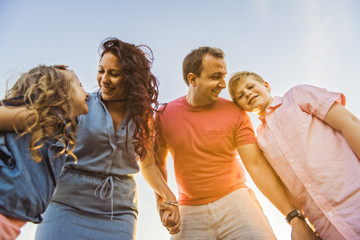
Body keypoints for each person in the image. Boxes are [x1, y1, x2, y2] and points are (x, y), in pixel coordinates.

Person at [154, 47, 319, 240]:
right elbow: (157, 165)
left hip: (236, 201)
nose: (223, 84)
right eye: (216, 77)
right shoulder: (163, 115)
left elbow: (256, 165)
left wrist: (294, 217)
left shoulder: (234, 112)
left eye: (223, 76)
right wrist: (163, 202)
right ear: (193, 79)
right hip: (188, 209)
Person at [30, 38, 179, 240]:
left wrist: (168, 198)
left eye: (114, 74)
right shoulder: (81, 104)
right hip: (66, 204)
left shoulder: (143, 118)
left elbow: (148, 164)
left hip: (118, 212)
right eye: (101, 71)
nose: (104, 79)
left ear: (131, 79)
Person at [228, 71, 360, 240]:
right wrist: (296, 220)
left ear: (266, 86)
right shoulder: (260, 140)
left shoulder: (297, 96)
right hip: (327, 226)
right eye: (240, 95)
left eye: (251, 86)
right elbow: (282, 185)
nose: (247, 93)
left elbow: (348, 122)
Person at [0, 64, 89, 239]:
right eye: (80, 85)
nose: (86, 92)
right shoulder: (33, 117)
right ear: (64, 93)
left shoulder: (59, 133)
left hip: (11, 221)